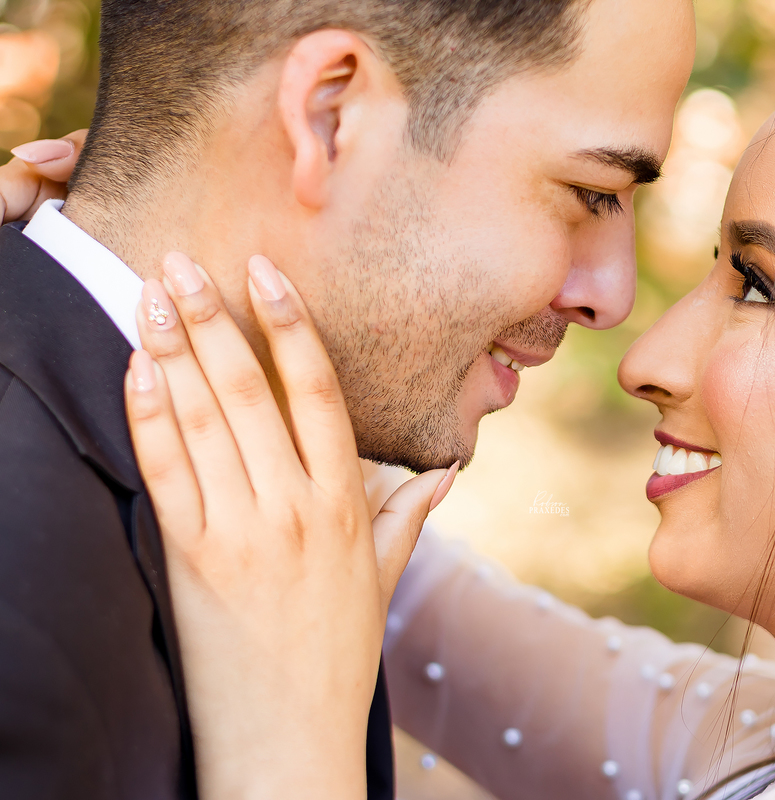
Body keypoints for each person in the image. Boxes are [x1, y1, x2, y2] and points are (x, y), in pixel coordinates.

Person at [9, 22, 775, 800]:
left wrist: (292, 765)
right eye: (585, 192)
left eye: (757, 287)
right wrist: (139, 255)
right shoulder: (744, 754)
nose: (644, 346)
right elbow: (350, 574)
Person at [0, 0, 695, 797]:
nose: (613, 295)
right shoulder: (22, 608)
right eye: (592, 190)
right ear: (331, 116)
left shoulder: (287, 541)